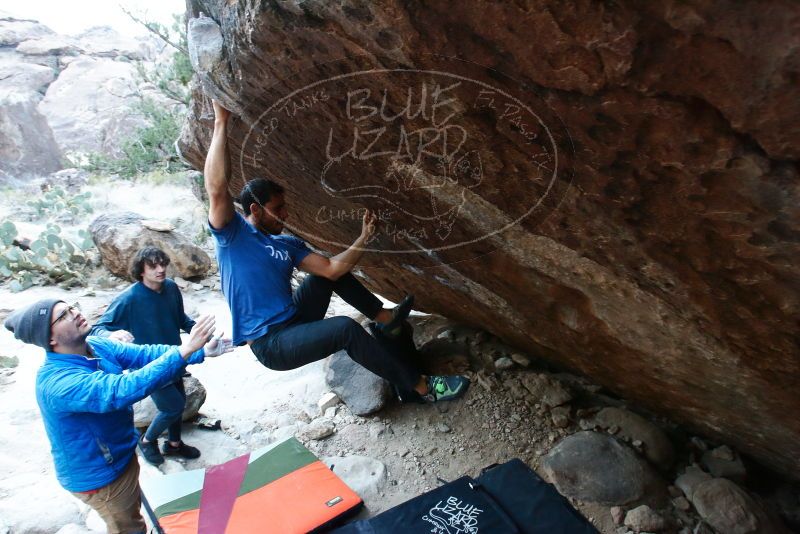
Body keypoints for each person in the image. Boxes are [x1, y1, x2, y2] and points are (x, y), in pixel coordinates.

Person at [203, 100, 469, 402]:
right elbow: (216, 187)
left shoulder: (286, 245)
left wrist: (364, 237)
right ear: (255, 209)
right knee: (344, 328)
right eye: (278, 209)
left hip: (295, 320)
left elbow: (333, 269)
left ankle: (384, 317)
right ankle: (423, 388)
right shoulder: (233, 235)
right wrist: (220, 121)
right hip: (271, 344)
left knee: (326, 276)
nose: (286, 215)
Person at [4, 299, 231, 534]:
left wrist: (200, 352)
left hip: (119, 453)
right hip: (101, 477)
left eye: (71, 307)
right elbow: (122, 388)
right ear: (49, 338)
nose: (75, 313)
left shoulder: (94, 345)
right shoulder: (57, 382)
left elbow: (144, 354)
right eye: (63, 316)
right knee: (129, 527)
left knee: (133, 509)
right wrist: (186, 350)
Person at [91, 246, 201, 466]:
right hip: (148, 365)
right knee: (172, 407)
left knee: (178, 403)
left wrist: (200, 331)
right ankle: (147, 440)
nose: (160, 269)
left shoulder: (170, 288)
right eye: (153, 266)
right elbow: (97, 329)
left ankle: (174, 444)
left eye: (163, 264)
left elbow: (180, 318)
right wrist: (113, 334)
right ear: (141, 270)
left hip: (175, 356)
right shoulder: (129, 299)